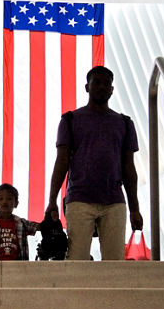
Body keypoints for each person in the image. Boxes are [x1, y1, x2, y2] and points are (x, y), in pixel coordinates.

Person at [46, 65, 143, 261]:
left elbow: (128, 169)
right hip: (79, 199)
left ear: (112, 90)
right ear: (87, 87)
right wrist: (52, 200)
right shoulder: (70, 120)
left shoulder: (124, 123)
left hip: (114, 200)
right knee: (77, 259)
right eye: (96, 82)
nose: (101, 86)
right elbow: (61, 162)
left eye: (106, 83)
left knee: (115, 261)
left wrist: (134, 208)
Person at [0, 183, 39, 261]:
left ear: (16, 203)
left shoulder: (22, 223)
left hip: (18, 268)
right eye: (1, 199)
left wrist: (50, 219)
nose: (5, 202)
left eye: (9, 199)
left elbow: (40, 227)